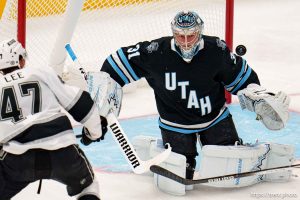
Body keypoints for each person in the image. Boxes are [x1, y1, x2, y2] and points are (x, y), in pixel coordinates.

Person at [100, 11, 292, 194]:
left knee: (227, 169)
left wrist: (257, 96)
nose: (185, 42)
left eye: (190, 36)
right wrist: (104, 88)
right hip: (175, 125)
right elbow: (116, 64)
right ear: (173, 33)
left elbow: (243, 79)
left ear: (199, 33)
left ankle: (264, 154)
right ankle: (156, 150)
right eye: (179, 36)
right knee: (177, 179)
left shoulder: (216, 50)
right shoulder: (155, 52)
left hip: (215, 120)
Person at [0, 38, 108, 200]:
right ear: (20, 60)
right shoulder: (40, 71)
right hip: (62, 151)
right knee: (88, 187)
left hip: (17, 160)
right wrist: (94, 133)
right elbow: (81, 103)